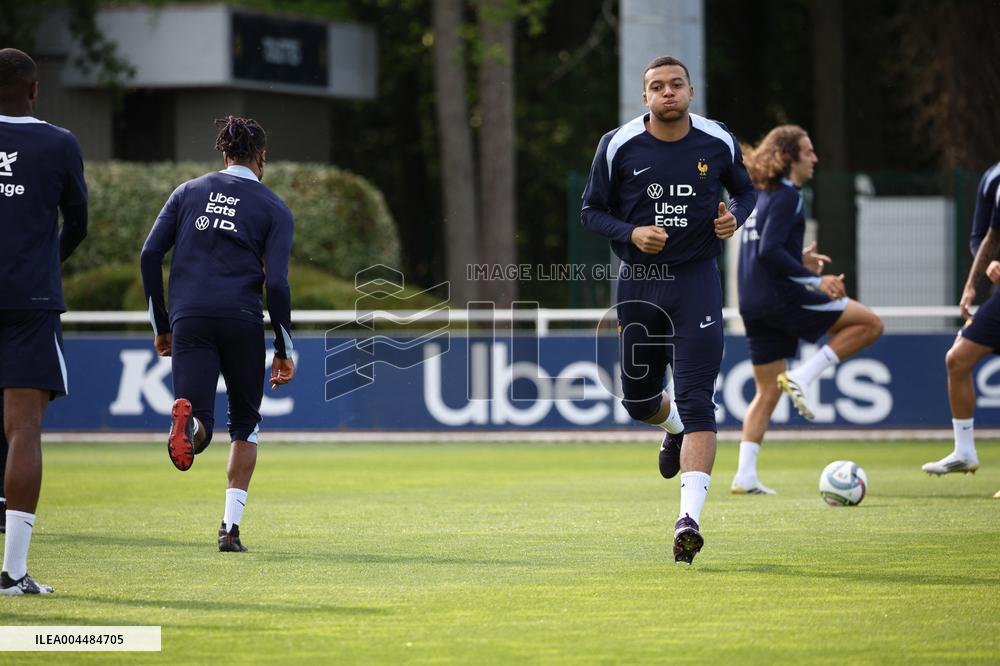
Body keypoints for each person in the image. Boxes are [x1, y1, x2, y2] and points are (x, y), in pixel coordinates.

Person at [581, 55, 756, 564]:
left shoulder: (717, 139)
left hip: (697, 282)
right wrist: (631, 232)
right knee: (638, 402)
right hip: (640, 283)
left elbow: (746, 192)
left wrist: (734, 218)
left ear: (690, 91)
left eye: (676, 84)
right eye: (657, 86)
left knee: (699, 400)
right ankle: (672, 429)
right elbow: (591, 211)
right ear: (645, 97)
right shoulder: (617, 144)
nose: (667, 92)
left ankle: (688, 521)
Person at [140, 116, 295, 552]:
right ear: (261, 158)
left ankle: (188, 426)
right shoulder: (274, 208)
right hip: (241, 319)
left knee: (201, 422)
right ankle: (230, 529)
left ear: (224, 154)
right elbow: (277, 283)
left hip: (189, 318)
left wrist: (162, 324)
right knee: (245, 424)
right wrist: (284, 348)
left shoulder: (187, 192)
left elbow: (150, 254)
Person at [734, 126, 883, 494]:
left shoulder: (759, 194)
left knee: (767, 391)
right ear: (790, 157)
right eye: (809, 152)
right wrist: (816, 280)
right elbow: (770, 251)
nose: (815, 158)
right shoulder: (788, 194)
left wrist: (799, 260)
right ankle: (804, 375)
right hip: (781, 298)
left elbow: (766, 249)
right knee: (870, 324)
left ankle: (745, 476)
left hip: (752, 301)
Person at [0, 49, 88, 594]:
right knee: (23, 430)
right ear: (34, 89)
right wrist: (43, 264)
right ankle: (12, 573)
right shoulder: (59, 143)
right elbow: (77, 223)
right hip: (30, 302)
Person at [922, 160, 1000, 478]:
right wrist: (971, 285)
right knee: (957, 358)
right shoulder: (994, 180)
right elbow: (988, 237)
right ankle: (964, 452)